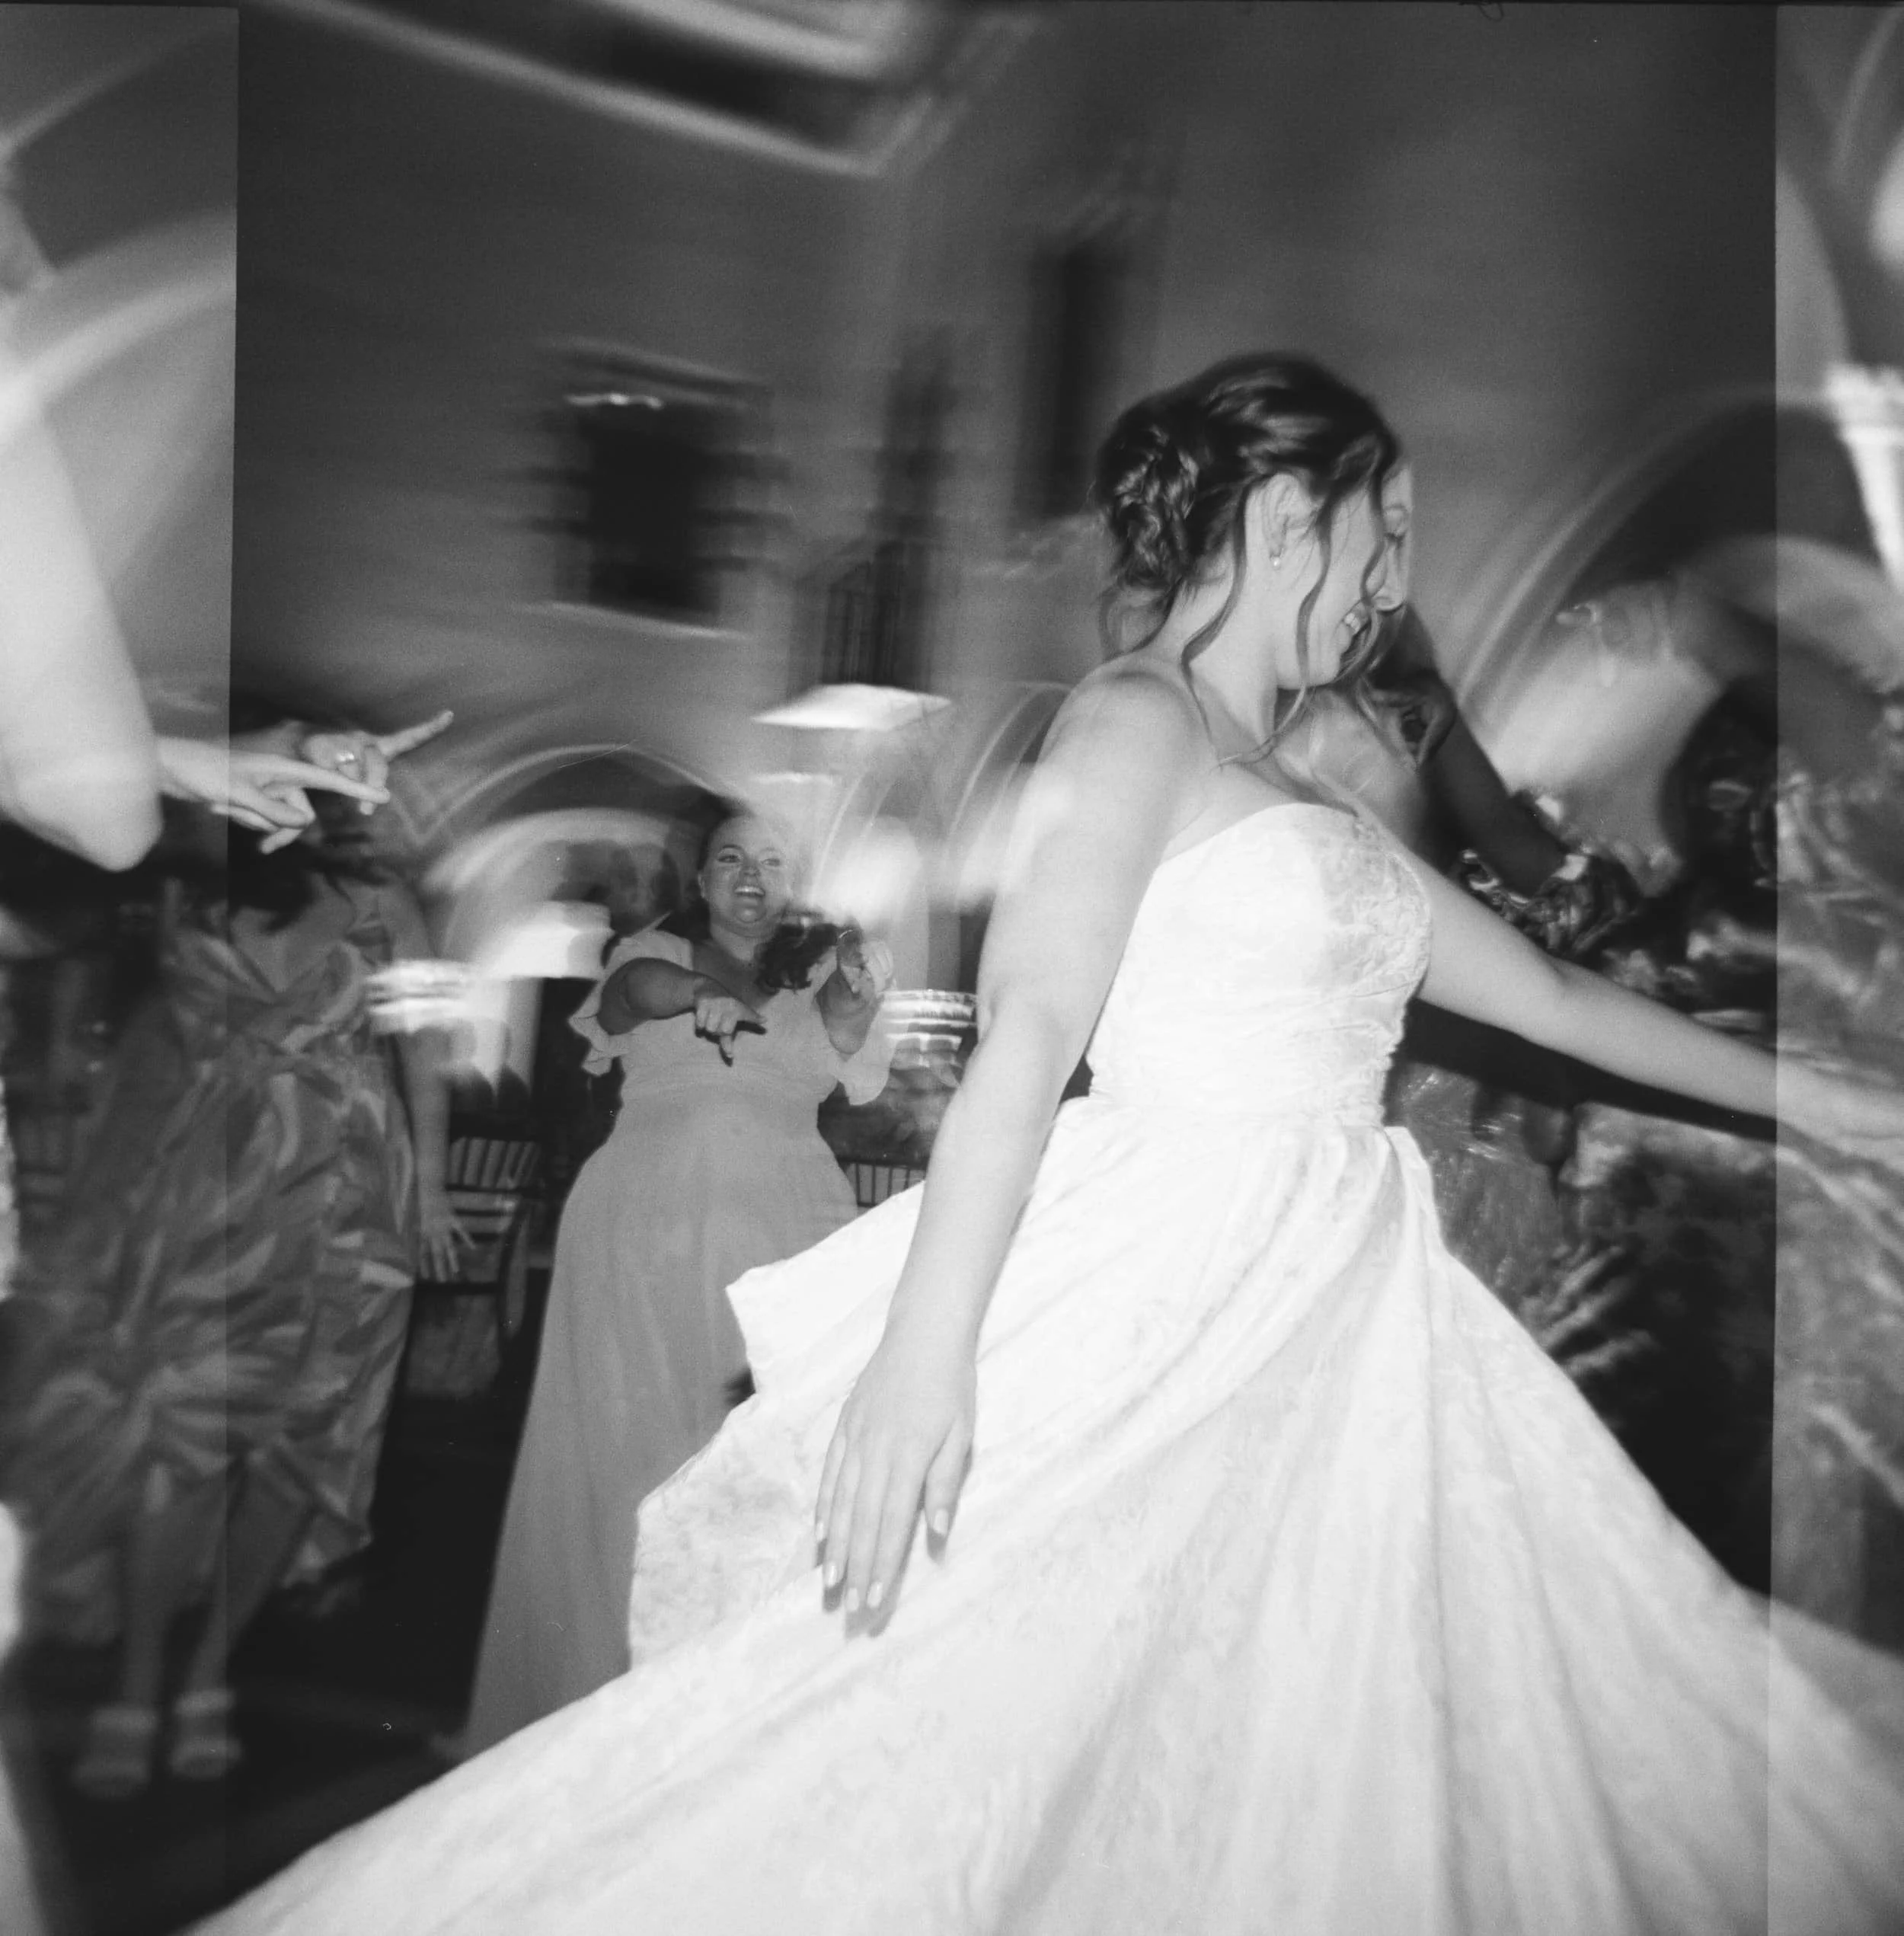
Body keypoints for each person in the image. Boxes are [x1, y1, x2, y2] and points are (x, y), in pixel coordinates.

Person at [202, 356, 1904, 1936]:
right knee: (971, 1714)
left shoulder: (1297, 775)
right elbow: (1024, 1031)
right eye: (1382, 526)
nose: (1395, 576)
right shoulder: (1130, 721)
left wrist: (1829, 1094)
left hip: (1338, 1308)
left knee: (1277, 1727)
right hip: (1168, 1275)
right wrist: (921, 1359)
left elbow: (1543, 990)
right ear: (1282, 509)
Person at [7, 711, 462, 1799]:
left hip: (352, 1196)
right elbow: (116, 1016)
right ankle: (138, 1680)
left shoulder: (391, 902)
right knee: (186, 1435)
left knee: (302, 1451)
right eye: (312, 752)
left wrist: (435, 1184)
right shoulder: (193, 872)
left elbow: (426, 1053)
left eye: (349, 764)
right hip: (210, 1193)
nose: (336, 776)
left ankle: (209, 1668)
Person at [460, 810, 895, 1752]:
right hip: (645, 1228)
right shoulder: (650, 950)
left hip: (790, 1222)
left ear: (793, 881)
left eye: (772, 860)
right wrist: (692, 987)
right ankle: (608, 1692)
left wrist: (856, 1001)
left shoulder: (816, 971)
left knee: (762, 1453)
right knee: (638, 1444)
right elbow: (634, 994)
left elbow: (842, 1057)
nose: (751, 874)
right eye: (731, 858)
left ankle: (742, 1705)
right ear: (700, 881)